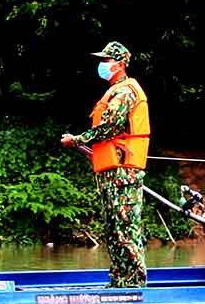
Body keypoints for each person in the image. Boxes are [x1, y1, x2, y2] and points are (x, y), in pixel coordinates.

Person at [59, 39, 152, 289]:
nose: (102, 65)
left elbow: (109, 128)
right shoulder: (114, 91)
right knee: (113, 229)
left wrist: (77, 139)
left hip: (123, 172)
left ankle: (135, 285)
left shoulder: (125, 92)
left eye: (106, 60)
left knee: (125, 228)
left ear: (120, 64)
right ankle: (120, 282)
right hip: (112, 172)